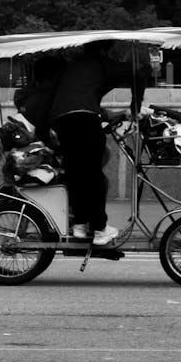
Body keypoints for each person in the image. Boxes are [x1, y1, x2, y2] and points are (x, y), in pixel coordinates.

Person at [48, 42, 120, 246]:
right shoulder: (101, 63)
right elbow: (135, 74)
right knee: (94, 174)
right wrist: (136, 104)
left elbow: (76, 97)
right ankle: (99, 228)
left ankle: (80, 224)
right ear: (104, 50)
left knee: (76, 172)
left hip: (63, 121)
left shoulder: (74, 66)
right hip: (85, 120)